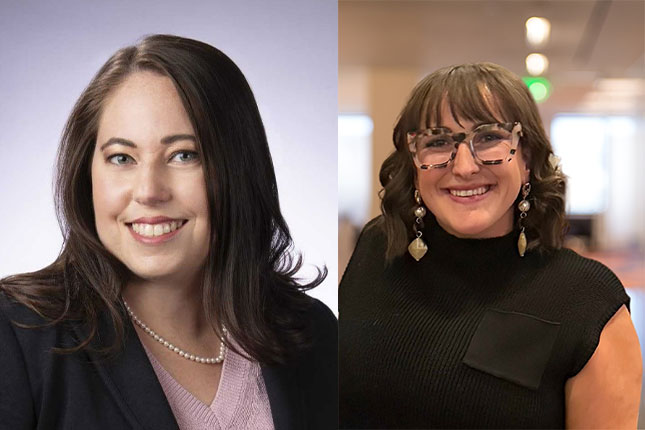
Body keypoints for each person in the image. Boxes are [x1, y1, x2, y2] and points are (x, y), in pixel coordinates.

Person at [0, 34, 337, 430]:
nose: (149, 191)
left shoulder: (312, 334)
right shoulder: (17, 335)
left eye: (183, 155)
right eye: (121, 158)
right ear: (86, 173)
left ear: (238, 169)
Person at [339, 62, 641, 429]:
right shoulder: (379, 249)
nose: (464, 166)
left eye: (489, 138)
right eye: (437, 142)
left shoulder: (587, 300)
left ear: (527, 159)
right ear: (415, 162)